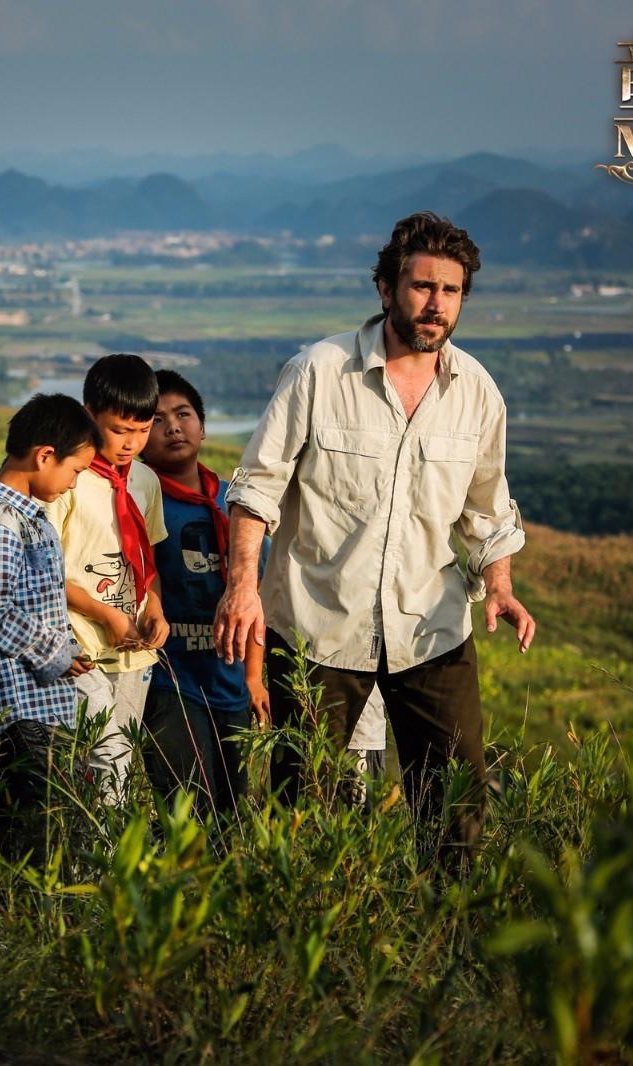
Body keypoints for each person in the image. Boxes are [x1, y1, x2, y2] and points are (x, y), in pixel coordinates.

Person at [216, 211, 536, 866]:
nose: (435, 304)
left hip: (432, 627)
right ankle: (308, 945)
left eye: (450, 291)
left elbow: (487, 508)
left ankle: (450, 945)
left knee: (455, 808)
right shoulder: (318, 371)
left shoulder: (476, 392)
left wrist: (500, 585)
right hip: (317, 626)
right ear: (386, 289)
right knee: (305, 809)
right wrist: (243, 588)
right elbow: (255, 489)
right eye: (421, 287)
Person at [0, 394, 99, 818]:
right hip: (17, 705)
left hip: (34, 702)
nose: (73, 483)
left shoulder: (21, 515)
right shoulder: (1, 520)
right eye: (75, 470)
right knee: (34, 829)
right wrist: (58, 653)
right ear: (45, 456)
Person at [138, 370, 265, 816]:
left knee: (235, 812)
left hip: (229, 681)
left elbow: (255, 594)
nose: (173, 426)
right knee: (189, 810)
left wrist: (253, 677)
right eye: (156, 419)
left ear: (202, 426)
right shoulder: (140, 501)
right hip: (171, 680)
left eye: (183, 414)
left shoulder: (236, 503)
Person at [46, 354, 171, 805]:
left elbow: (147, 560)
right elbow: (47, 572)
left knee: (116, 770)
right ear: (89, 415)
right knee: (103, 757)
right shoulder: (66, 480)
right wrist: (105, 615)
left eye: (142, 430)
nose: (131, 443)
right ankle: (96, 858)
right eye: (119, 430)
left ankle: (106, 863)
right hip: (83, 647)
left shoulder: (145, 481)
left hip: (133, 651)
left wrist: (154, 608)